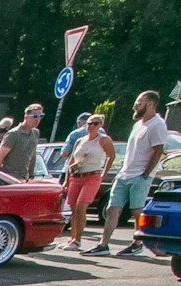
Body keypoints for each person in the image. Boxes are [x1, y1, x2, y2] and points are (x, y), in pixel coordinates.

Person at [88, 89, 168, 256]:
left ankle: (138, 242)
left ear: (150, 104)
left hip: (140, 175)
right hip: (125, 173)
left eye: (139, 103)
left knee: (136, 210)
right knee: (112, 208)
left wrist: (145, 174)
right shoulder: (138, 124)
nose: (134, 106)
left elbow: (158, 150)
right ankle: (103, 244)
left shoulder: (158, 124)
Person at [60, 113, 113, 249]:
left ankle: (77, 240)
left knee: (80, 206)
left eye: (95, 123)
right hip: (76, 176)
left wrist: (103, 174)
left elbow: (111, 156)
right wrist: (67, 180)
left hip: (92, 176)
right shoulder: (80, 140)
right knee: (73, 208)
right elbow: (71, 161)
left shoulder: (103, 140)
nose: (91, 126)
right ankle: (72, 239)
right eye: (89, 123)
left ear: (100, 125)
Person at [0, 104, 43, 178]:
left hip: (24, 177)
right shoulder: (13, 134)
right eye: (35, 116)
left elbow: (33, 156)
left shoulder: (35, 133)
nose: (37, 119)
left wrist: (31, 175)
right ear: (26, 117)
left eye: (40, 116)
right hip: (10, 177)